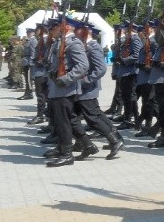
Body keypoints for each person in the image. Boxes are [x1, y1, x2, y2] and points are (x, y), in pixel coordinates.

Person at [74, 19, 124, 159]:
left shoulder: (93, 46)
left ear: (84, 33)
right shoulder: (85, 45)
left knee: (92, 118)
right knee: (80, 115)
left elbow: (101, 69)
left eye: (77, 31)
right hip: (82, 88)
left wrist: (86, 81)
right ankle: (82, 143)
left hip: (87, 89)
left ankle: (115, 141)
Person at [44, 17, 90, 167]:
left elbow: (83, 66)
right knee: (59, 120)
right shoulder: (60, 42)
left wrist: (66, 79)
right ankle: (62, 149)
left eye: (55, 28)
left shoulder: (74, 42)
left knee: (63, 122)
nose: (52, 31)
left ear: (65, 27)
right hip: (57, 88)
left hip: (65, 89)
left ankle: (67, 154)